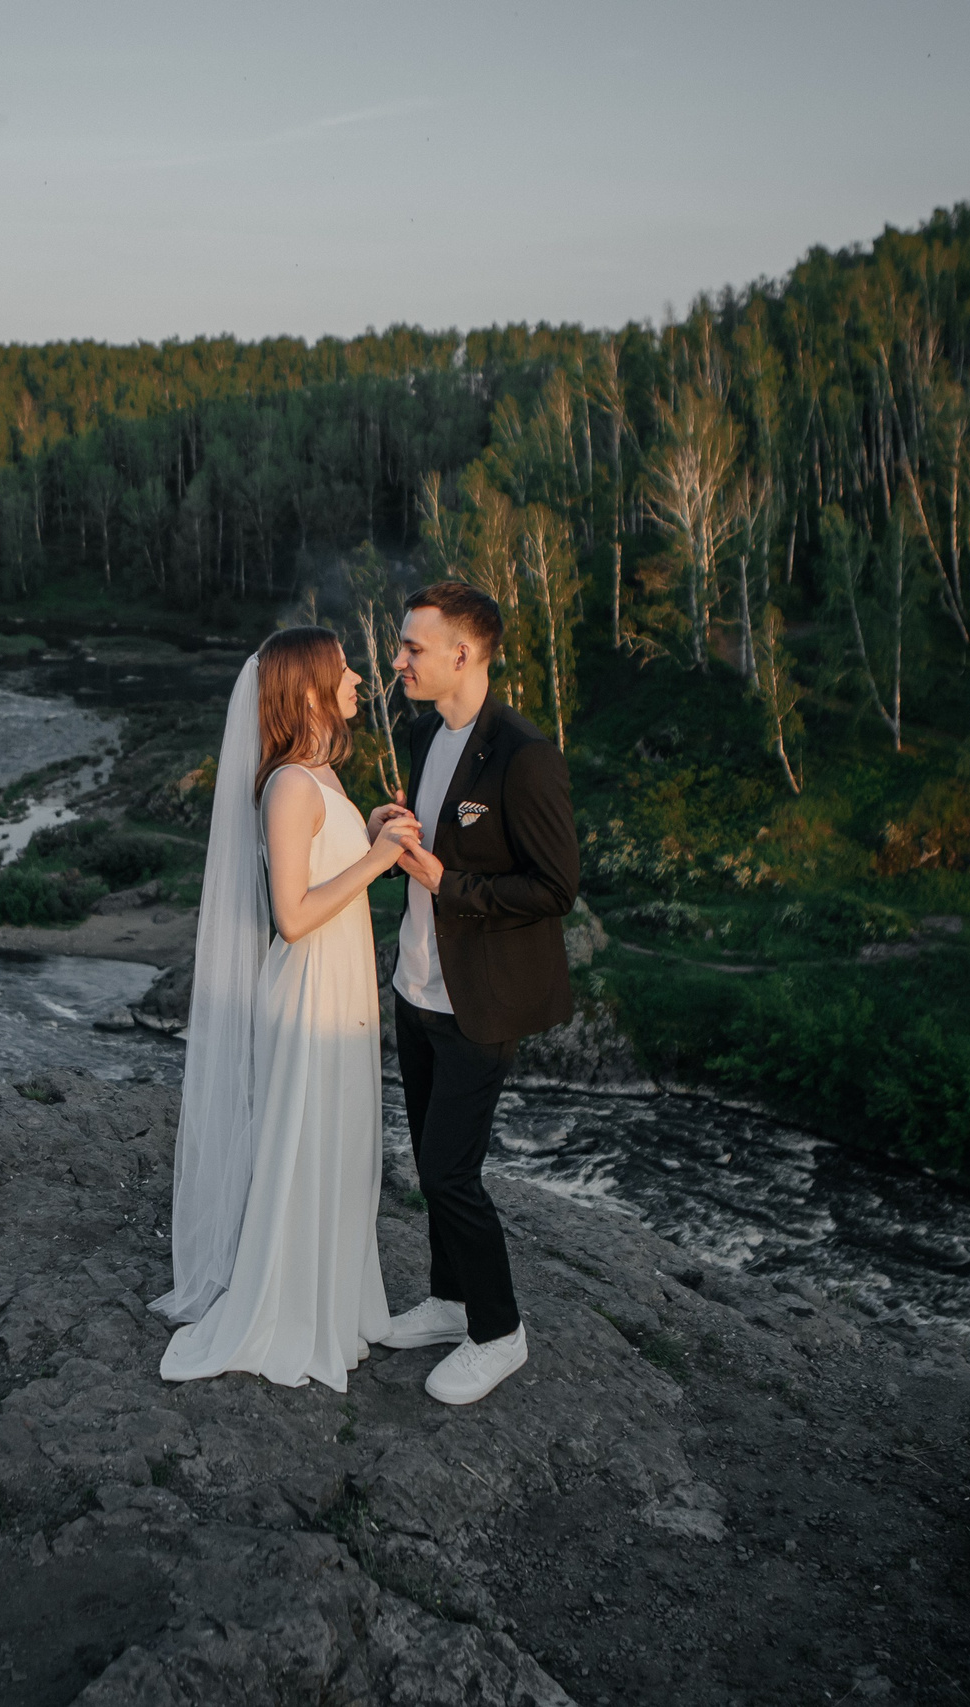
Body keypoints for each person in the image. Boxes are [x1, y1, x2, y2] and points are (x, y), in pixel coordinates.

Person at [155, 627, 421, 1390]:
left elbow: (320, 864)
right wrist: (379, 860)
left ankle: (332, 1303)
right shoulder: (288, 784)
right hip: (308, 989)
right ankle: (290, 1310)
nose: (358, 678)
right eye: (343, 668)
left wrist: (365, 835)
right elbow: (294, 915)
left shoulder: (320, 775)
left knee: (340, 1141)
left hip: (339, 984)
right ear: (306, 689)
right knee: (305, 1146)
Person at [367, 581, 579, 1406]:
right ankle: (450, 1298)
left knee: (450, 1171)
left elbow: (556, 887)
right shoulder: (426, 732)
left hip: (479, 1002)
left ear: (463, 654)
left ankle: (498, 1332)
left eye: (411, 647)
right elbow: (438, 846)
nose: (398, 661)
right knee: (431, 1160)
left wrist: (447, 882)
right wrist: (395, 832)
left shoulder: (525, 754)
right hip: (416, 987)